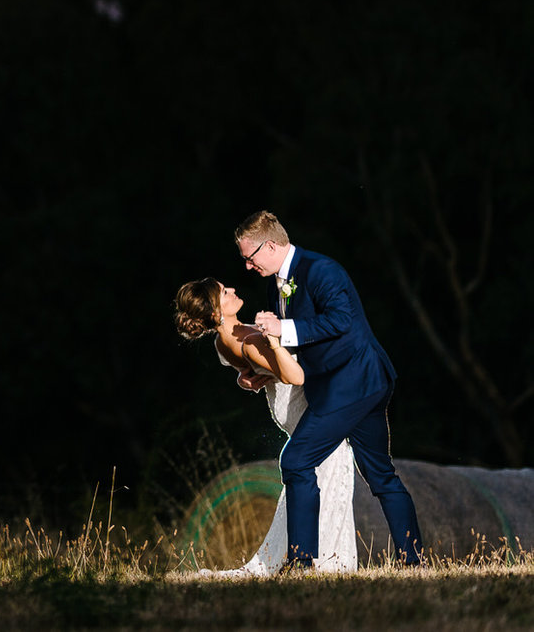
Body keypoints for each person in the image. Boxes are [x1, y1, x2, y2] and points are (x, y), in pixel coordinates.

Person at [235, 211, 423, 567]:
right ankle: (413, 561)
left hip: (351, 383)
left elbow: (341, 320)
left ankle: (302, 562)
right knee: (381, 475)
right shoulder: (278, 279)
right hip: (355, 384)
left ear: (270, 244)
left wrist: (283, 328)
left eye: (249, 257)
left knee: (296, 460)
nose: (247, 266)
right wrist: (267, 373)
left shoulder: (321, 270)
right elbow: (303, 344)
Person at [174, 276, 357, 572]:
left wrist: (244, 378)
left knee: (322, 475)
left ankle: (310, 555)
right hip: (301, 406)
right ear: (215, 313)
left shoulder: (224, 342)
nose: (232, 289)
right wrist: (273, 339)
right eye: (224, 292)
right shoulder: (251, 341)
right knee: (330, 471)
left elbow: (245, 368)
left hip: (287, 409)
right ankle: (325, 561)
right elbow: (295, 376)